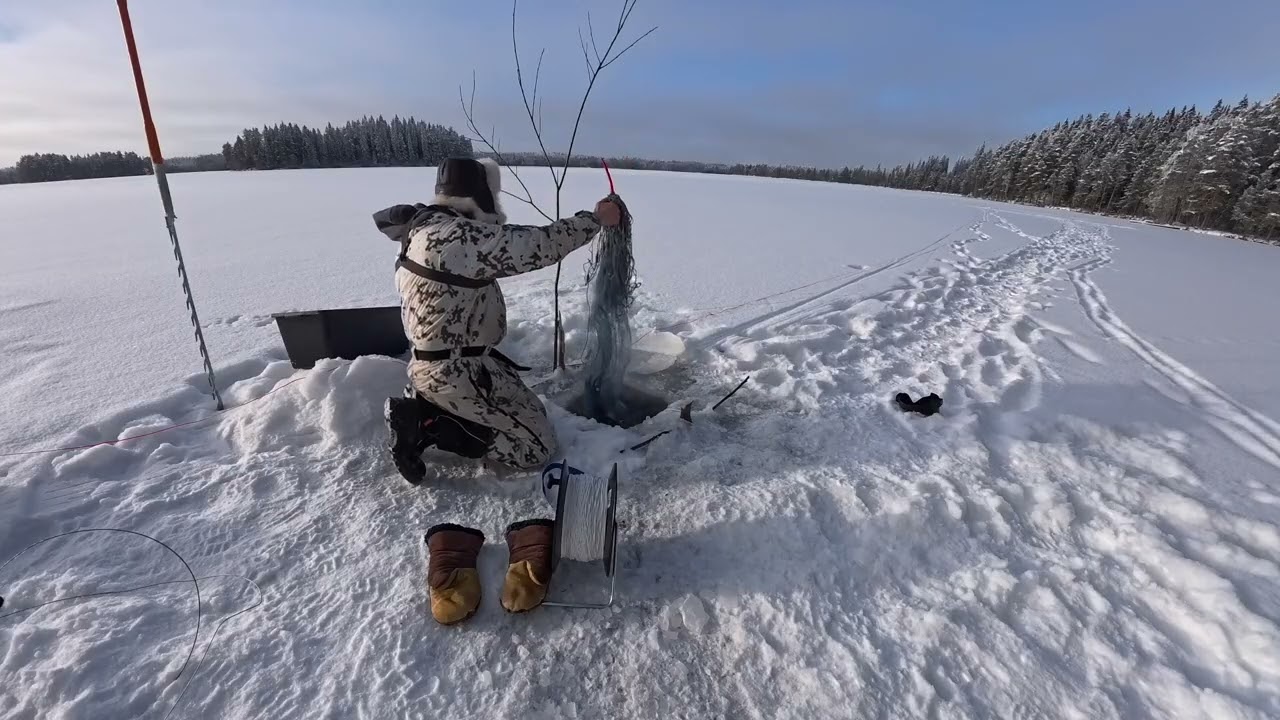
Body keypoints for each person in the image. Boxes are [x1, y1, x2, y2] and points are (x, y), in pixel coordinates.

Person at [373, 157, 622, 485]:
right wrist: (595, 219)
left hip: (468, 362)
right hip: (451, 371)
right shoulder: (455, 237)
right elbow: (537, 245)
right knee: (535, 448)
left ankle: (432, 403)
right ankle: (427, 423)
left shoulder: (425, 228)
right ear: (481, 195)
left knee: (534, 413)